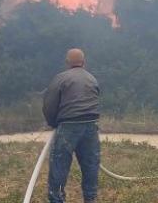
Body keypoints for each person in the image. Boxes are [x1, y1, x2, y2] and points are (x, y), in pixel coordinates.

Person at [43, 49, 101, 203]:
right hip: (90, 126)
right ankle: (90, 199)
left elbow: (49, 105)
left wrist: (53, 123)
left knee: (59, 166)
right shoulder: (92, 79)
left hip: (68, 126)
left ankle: (57, 199)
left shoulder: (61, 78)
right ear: (84, 62)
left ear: (67, 62)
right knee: (90, 166)